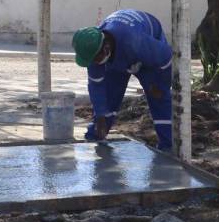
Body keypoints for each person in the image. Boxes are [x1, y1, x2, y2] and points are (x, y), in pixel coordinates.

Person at [71, 9, 173, 151]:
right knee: (109, 97)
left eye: (96, 59)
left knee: (158, 96)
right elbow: (96, 86)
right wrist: (100, 116)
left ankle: (168, 146)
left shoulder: (136, 42)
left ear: (106, 48)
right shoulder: (93, 52)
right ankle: (96, 134)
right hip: (119, 56)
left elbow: (167, 58)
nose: (94, 63)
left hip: (146, 53)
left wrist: (162, 84)